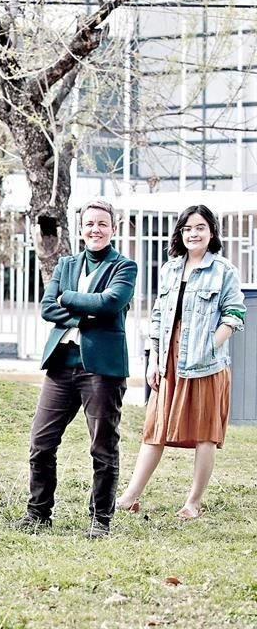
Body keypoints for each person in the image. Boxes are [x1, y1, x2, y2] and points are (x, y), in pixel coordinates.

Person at [15, 200, 137, 539]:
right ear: (80, 228)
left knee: (102, 445)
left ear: (113, 228)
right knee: (41, 442)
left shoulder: (124, 267)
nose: (95, 229)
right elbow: (46, 308)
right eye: (89, 224)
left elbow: (111, 303)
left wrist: (67, 298)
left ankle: (100, 519)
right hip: (61, 365)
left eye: (102, 223)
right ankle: (38, 513)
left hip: (101, 368)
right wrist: (85, 308)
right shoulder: (66, 264)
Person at [116, 205, 245, 520]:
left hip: (206, 366)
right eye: (187, 228)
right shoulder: (171, 269)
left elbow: (235, 314)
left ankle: (193, 503)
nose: (193, 234)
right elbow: (159, 315)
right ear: (180, 233)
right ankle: (130, 496)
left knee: (205, 434)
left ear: (211, 231)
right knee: (155, 429)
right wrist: (153, 358)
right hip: (168, 363)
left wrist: (209, 346)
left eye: (200, 227)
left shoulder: (223, 270)